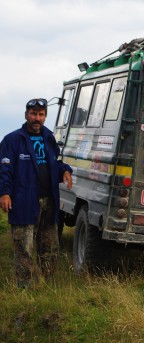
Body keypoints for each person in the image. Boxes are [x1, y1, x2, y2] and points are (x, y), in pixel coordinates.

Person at [0, 98, 73, 288]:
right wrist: (4, 193)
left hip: (49, 202)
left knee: (50, 248)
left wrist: (65, 170)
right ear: (26, 115)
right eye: (33, 114)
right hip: (24, 201)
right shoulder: (12, 140)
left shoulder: (48, 137)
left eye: (41, 115)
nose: (37, 118)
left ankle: (46, 285)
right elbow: (4, 170)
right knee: (24, 247)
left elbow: (53, 164)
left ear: (45, 117)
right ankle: (26, 288)